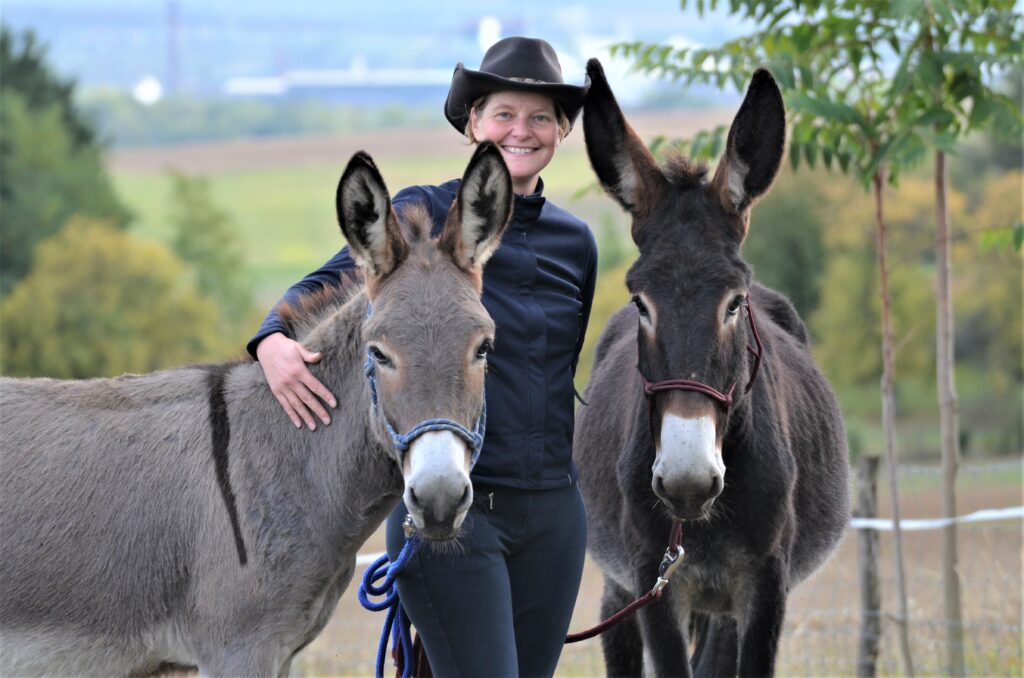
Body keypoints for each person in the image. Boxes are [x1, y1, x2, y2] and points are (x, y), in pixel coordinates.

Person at [248, 36, 596, 677]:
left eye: (541, 116)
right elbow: (323, 289)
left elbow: (557, 377)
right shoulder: (423, 213)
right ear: (473, 124)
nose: (522, 130)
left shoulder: (576, 243)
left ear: (563, 129)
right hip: (458, 510)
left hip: (554, 516)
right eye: (504, 115)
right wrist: (271, 341)